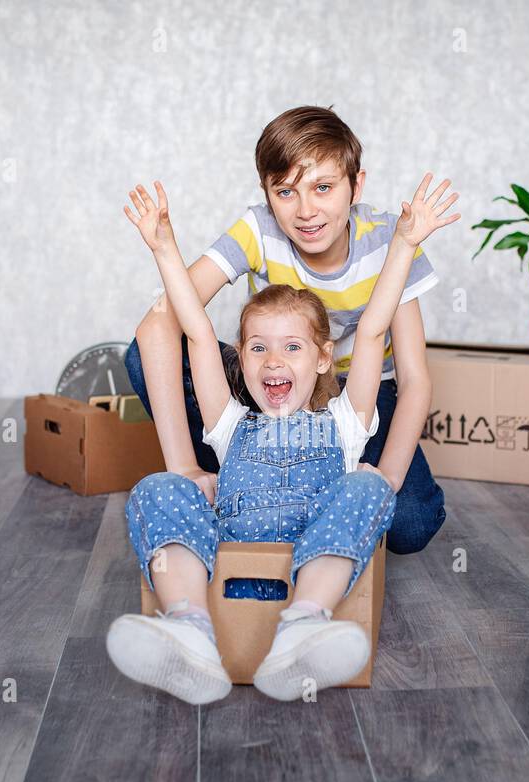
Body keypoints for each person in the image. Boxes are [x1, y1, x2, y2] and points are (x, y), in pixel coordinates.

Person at [108, 174, 459, 704]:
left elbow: (369, 329)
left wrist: (405, 244)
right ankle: (189, 627)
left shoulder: (346, 423)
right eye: (258, 349)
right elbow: (197, 331)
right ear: (241, 359)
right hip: (233, 570)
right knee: (157, 487)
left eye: (293, 347)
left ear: (323, 359)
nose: (274, 361)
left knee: (370, 487)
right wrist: (164, 249)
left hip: (307, 573)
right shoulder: (228, 425)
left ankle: (304, 626)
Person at [123, 105, 447, 555]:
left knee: (409, 523)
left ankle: (309, 494)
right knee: (145, 353)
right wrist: (183, 468)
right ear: (267, 193)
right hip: (273, 381)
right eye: (286, 191)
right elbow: (161, 325)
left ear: (356, 185)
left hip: (361, 391)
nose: (306, 210)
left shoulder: (391, 240)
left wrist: (388, 477)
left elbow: (413, 378)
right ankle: (235, 484)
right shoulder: (258, 229)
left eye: (324, 188)